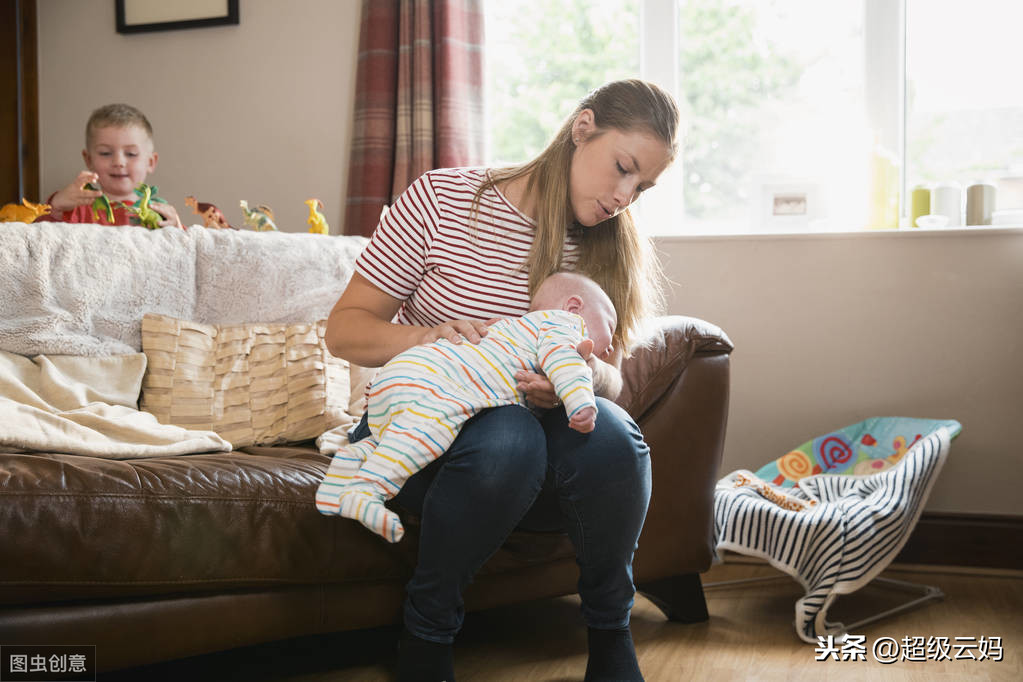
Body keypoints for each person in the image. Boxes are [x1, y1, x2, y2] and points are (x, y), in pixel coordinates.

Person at [325, 78, 678, 682]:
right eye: (622, 169)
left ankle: (611, 636)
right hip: (429, 438)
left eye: (641, 187)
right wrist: (426, 335)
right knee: (509, 432)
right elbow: (344, 330)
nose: (625, 196)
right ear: (582, 127)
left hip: (546, 461)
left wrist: (586, 375)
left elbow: (614, 382)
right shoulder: (441, 199)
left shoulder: (610, 247)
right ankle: (427, 635)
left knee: (615, 434)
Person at [315, 271, 617, 543]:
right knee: (427, 433)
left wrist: (595, 374)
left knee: (390, 436)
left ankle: (342, 475)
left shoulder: (509, 328)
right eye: (609, 326)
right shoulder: (564, 324)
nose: (612, 346)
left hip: (400, 376)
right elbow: (565, 362)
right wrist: (579, 400)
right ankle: (367, 492)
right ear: (574, 307)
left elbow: (609, 376)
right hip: (438, 387)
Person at [40, 103, 182, 228]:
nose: (118, 162)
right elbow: (37, 242)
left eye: (131, 154)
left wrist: (177, 230)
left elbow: (188, 251)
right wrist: (55, 207)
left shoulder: (160, 215)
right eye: (105, 153)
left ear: (150, 162)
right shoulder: (75, 211)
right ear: (88, 160)